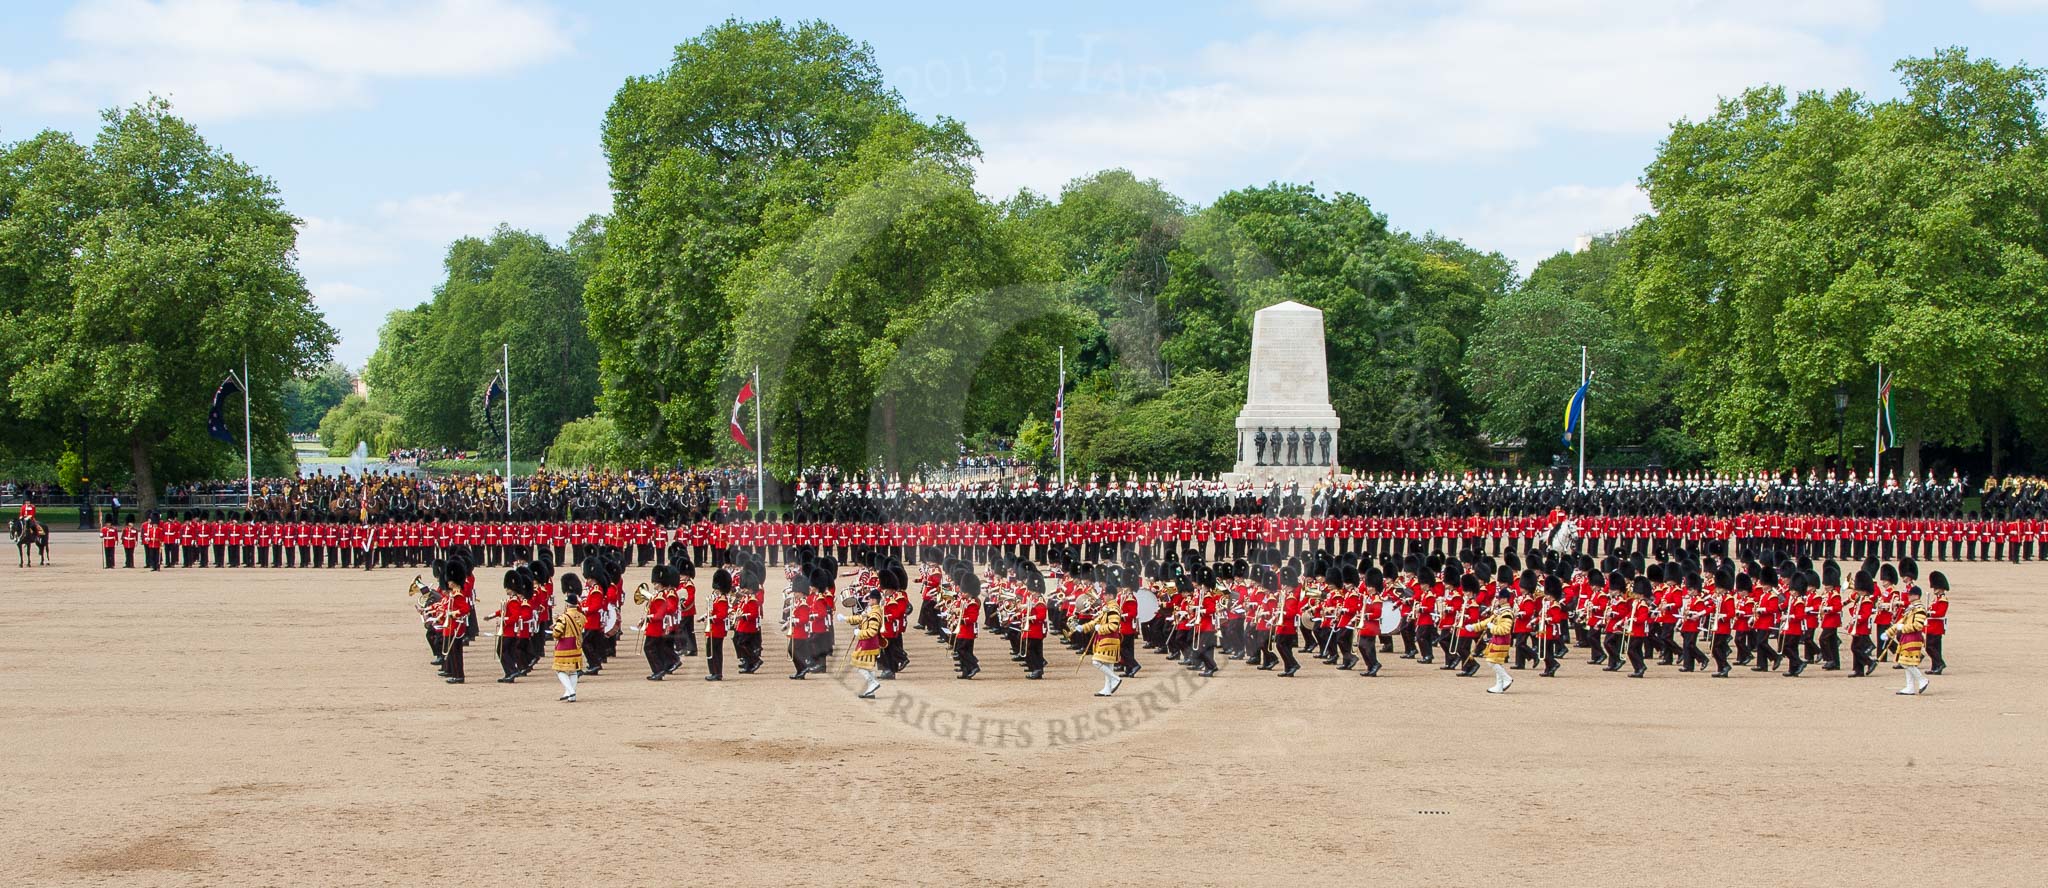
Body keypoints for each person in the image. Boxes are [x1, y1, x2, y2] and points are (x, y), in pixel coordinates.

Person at [1072, 590, 1125, 697]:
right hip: (1106, 639)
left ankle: (1116, 679)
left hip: (1108, 640)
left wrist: (1100, 628)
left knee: (1096, 661)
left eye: (1105, 595)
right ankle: (1107, 689)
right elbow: (1096, 620)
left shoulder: (1113, 609)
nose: (1103, 597)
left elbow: (1113, 626)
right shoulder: (1108, 607)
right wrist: (1083, 627)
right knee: (1108, 666)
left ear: (1111, 595)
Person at [1466, 588, 1517, 694]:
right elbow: (1487, 622)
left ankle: (1507, 678)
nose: (1498, 600)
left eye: (1499, 598)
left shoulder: (1506, 613)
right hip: (1497, 639)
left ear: (1504, 599)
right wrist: (1474, 627)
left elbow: (1505, 629)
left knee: (1491, 661)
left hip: (1502, 641)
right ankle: (1499, 686)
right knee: (1497, 662)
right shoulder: (1501, 611)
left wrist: (1492, 627)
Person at [1893, 584, 1933, 696]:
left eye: (1910, 595)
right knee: (1907, 661)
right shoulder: (1912, 607)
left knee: (1904, 662)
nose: (1908, 597)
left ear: (1916, 595)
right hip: (1907, 636)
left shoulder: (1919, 608)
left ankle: (1922, 679)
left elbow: (1918, 625)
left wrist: (1903, 627)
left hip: (1913, 637)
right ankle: (1910, 687)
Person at [553, 575, 587, 702]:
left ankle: (571, 691)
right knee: (573, 672)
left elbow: (557, 632)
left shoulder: (564, 617)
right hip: (576, 645)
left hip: (564, 646)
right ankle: (571, 694)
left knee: (560, 670)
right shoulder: (581, 616)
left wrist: (555, 624)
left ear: (567, 605)